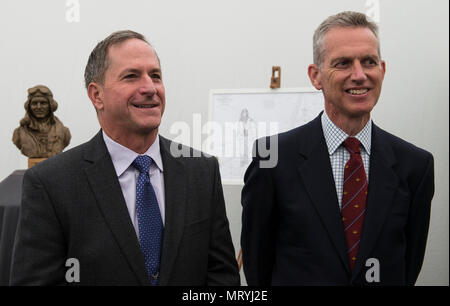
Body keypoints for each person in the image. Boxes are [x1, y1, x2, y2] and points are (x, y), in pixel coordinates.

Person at [11, 30, 240, 285]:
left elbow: (222, 277)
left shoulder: (202, 171)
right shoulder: (51, 183)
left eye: (155, 76)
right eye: (131, 76)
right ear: (97, 95)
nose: (150, 88)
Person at [241, 11, 434, 286]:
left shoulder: (415, 166)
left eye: (368, 62)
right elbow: (258, 268)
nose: (359, 75)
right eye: (343, 63)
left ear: (383, 70)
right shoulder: (272, 160)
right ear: (316, 76)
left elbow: (408, 266)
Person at [12, 85, 71, 158]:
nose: (39, 107)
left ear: (50, 105)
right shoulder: (18, 134)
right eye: (34, 103)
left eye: (43, 103)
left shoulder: (64, 132)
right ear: (29, 106)